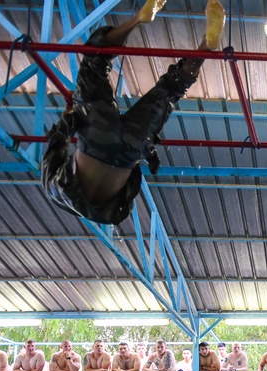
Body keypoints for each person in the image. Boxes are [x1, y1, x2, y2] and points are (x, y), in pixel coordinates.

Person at [42, 0, 226, 225]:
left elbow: (130, 188)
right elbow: (58, 141)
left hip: (133, 149)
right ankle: (138, 18)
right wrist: (71, 112)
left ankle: (206, 46)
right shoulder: (54, 191)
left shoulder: (113, 214)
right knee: (93, 63)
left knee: (172, 89)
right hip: (96, 139)